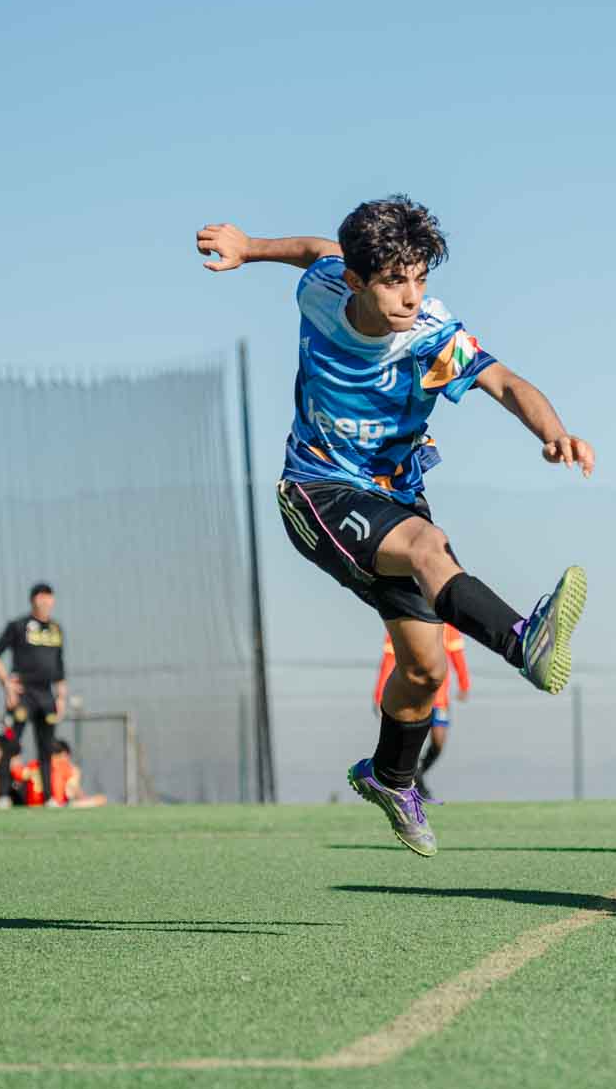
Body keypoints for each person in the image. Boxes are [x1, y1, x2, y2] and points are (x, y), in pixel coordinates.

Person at [197, 199, 592, 856]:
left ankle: (389, 775)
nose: (411, 296)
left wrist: (554, 432)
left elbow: (503, 381)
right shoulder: (324, 290)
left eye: (420, 278)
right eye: (393, 281)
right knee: (429, 547)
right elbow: (315, 251)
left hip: (397, 500)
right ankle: (524, 642)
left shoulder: (432, 332)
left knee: (425, 672)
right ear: (356, 280)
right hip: (317, 490)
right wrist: (250, 248)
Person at [0, 584, 67, 812]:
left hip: (46, 696)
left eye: (49, 598)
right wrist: (7, 684)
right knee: (11, 744)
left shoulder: (56, 629)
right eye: (41, 598)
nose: (46, 602)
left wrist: (61, 697)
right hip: (23, 694)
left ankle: (49, 798)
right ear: (33, 600)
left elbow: (59, 667)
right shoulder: (18, 626)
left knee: (46, 748)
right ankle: (3, 796)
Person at [374, 623, 470, 795]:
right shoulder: (400, 623)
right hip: (411, 697)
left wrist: (464, 684)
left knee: (438, 742)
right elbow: (387, 662)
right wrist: (379, 695)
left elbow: (457, 657)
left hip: (439, 699)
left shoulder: (448, 627)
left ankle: (418, 773)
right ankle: (402, 782)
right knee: (407, 744)